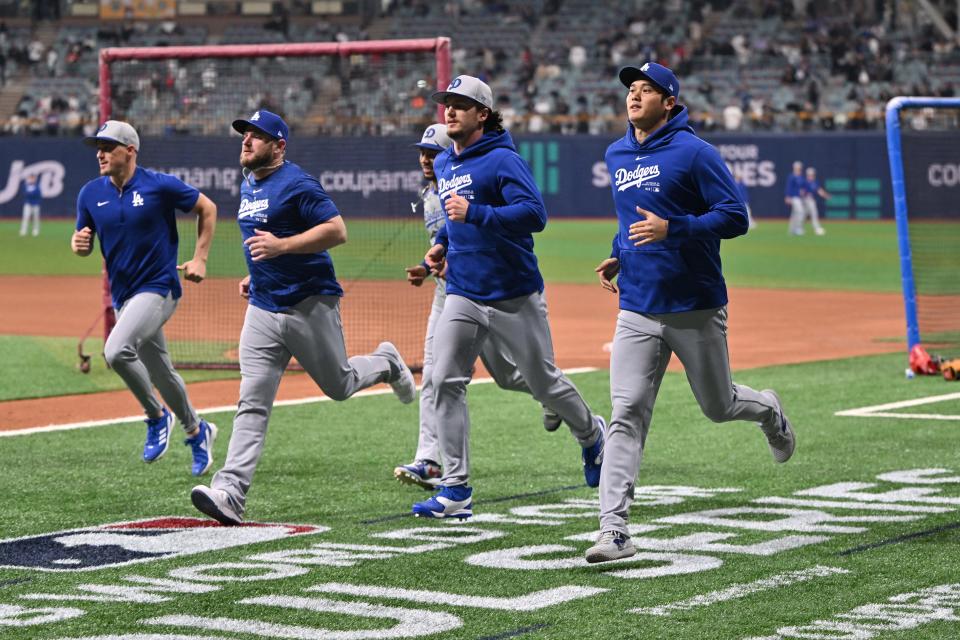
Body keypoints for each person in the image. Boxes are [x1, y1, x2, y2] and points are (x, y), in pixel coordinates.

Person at [587, 63, 795, 563]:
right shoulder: (617, 152)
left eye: (646, 90)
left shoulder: (696, 153)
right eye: (631, 90)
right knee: (626, 413)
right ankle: (613, 530)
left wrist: (673, 228)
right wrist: (621, 251)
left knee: (718, 406)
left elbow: (734, 217)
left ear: (670, 102)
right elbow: (630, 216)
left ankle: (768, 410)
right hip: (637, 305)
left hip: (694, 306)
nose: (634, 96)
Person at [190, 110, 417, 525]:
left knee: (340, 384)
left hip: (308, 303)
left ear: (279, 146)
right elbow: (264, 238)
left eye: (257, 136)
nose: (246, 141)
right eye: (244, 134)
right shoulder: (249, 182)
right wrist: (256, 271)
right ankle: (230, 493)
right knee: (252, 401)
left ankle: (387, 363)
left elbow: (337, 230)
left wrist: (283, 248)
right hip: (262, 306)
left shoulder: (297, 182)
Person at [412, 75, 606, 520]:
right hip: (463, 291)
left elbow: (534, 215)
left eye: (461, 104)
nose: (450, 110)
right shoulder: (446, 164)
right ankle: (456, 488)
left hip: (513, 293)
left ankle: (591, 433)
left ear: (483, 113)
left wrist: (475, 213)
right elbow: (457, 218)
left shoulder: (503, 160)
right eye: (447, 103)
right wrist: (442, 242)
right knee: (443, 380)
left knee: (543, 381)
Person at [395, 123, 561, 490]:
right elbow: (450, 240)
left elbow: (509, 225)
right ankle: (429, 459)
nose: (426, 158)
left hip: (487, 291)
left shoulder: (471, 182)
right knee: (438, 375)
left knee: (506, 375)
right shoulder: (430, 193)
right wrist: (430, 265)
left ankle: (552, 395)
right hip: (451, 296)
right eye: (422, 151)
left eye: (433, 151)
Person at [71, 120, 219, 475]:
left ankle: (155, 416)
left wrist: (200, 257)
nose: (100, 153)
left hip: (159, 287)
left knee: (116, 350)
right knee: (162, 372)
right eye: (98, 147)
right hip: (125, 295)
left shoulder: (158, 185)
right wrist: (78, 245)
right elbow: (82, 241)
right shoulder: (90, 193)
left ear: (130, 151)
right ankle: (199, 431)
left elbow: (208, 208)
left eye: (108, 147)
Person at [802, 166, 830, 236]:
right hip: (805, 200)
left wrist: (826, 195)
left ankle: (816, 228)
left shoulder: (815, 182)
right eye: (810, 174)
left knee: (812, 214)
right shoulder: (804, 182)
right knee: (804, 214)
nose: (811, 176)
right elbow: (801, 191)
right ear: (807, 175)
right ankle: (799, 228)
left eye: (812, 174)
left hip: (811, 200)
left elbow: (819, 190)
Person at [785, 160, 806, 235]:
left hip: (799, 197)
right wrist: (787, 196)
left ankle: (791, 230)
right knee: (800, 212)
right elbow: (789, 187)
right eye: (797, 167)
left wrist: (803, 191)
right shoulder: (792, 176)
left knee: (794, 214)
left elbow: (804, 186)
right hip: (794, 197)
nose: (799, 168)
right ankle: (798, 228)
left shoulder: (801, 177)